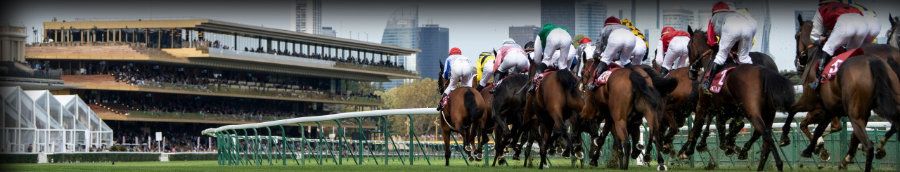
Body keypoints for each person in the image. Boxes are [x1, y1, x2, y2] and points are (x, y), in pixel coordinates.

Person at [808, 0, 877, 89]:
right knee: (851, 52)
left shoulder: (821, 9)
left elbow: (814, 36)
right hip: (864, 25)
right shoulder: (849, 6)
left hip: (846, 25)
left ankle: (819, 79)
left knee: (828, 47)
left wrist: (819, 39)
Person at [702, 1, 757, 90]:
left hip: (732, 28)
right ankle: (753, 77)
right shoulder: (735, 14)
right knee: (744, 58)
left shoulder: (713, 18)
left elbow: (711, 41)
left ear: (714, 12)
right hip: (750, 26)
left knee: (720, 57)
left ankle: (708, 82)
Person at [586, 16, 635, 90]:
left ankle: (593, 84)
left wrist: (596, 56)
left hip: (616, 39)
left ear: (606, 24)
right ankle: (636, 75)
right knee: (625, 61)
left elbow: (599, 46)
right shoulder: (626, 28)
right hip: (631, 38)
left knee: (605, 60)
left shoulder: (605, 28)